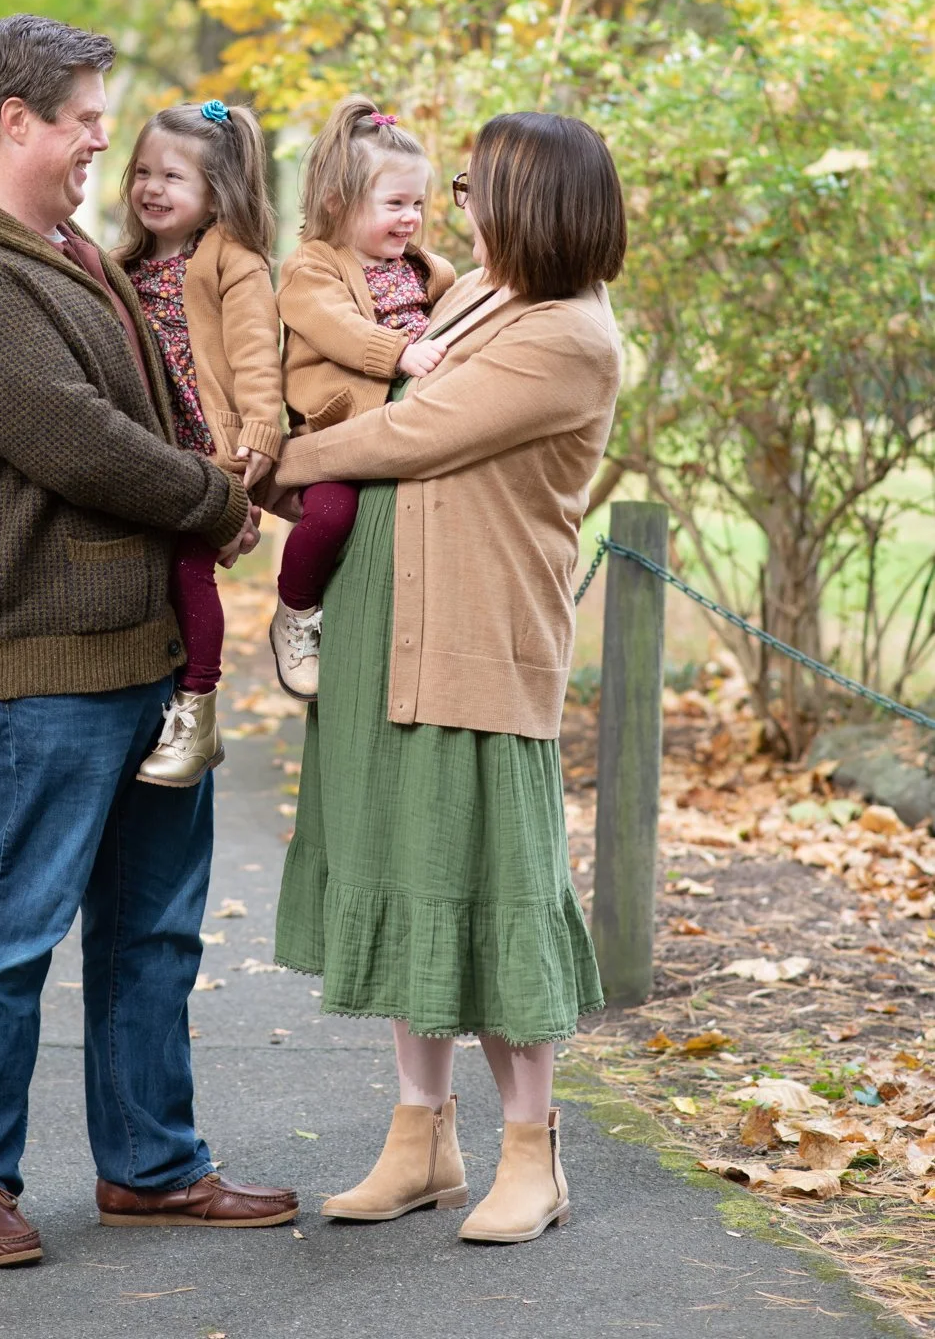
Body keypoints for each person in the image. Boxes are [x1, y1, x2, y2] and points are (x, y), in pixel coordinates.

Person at [0, 14, 298, 1268]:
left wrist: (231, 472)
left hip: (145, 652)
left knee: (154, 929)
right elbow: (72, 435)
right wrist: (213, 501)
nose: (96, 142)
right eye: (80, 116)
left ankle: (150, 1164)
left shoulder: (73, 248)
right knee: (14, 926)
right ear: (11, 117)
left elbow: (167, 401)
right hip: (41, 664)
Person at [272, 110, 626, 1244]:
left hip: (478, 639)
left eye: (475, 186)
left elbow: (410, 431)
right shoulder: (473, 294)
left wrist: (276, 463)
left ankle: (533, 1153)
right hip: (387, 628)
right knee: (401, 870)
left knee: (489, 887)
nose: (455, 204)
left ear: (535, 203)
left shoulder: (567, 335)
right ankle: (419, 1138)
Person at [115, 99, 283, 787]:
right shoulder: (117, 265)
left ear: (216, 196)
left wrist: (257, 446)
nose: (152, 188)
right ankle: (160, 697)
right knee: (153, 579)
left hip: (211, 457)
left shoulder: (233, 262)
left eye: (173, 178)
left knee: (190, 570)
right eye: (142, 172)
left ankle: (198, 709)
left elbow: (255, 359)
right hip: (148, 456)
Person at [269, 97, 455, 700]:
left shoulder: (426, 269)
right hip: (336, 436)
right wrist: (397, 354)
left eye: (418, 204)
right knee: (332, 517)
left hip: (402, 435)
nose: (410, 220)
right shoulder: (312, 268)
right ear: (337, 203)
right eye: (394, 204)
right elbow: (335, 327)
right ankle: (295, 611)